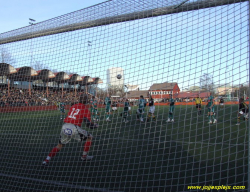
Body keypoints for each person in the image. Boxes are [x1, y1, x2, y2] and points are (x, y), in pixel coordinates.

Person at [42, 94, 98, 166]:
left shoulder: (73, 106)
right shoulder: (85, 109)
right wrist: (95, 125)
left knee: (59, 145)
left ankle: (46, 160)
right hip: (74, 127)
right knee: (90, 137)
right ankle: (84, 156)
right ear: (87, 101)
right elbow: (88, 124)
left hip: (65, 126)